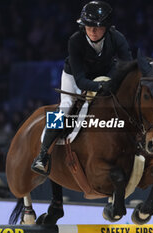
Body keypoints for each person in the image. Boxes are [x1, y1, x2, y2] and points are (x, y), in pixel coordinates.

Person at [31, 1, 132, 176]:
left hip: (105, 74)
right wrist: (100, 86)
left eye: (97, 27)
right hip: (76, 76)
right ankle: (43, 155)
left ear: (107, 27)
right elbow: (80, 80)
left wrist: (117, 83)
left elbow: (128, 65)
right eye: (88, 26)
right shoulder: (75, 41)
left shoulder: (117, 38)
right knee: (66, 106)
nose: (92, 30)